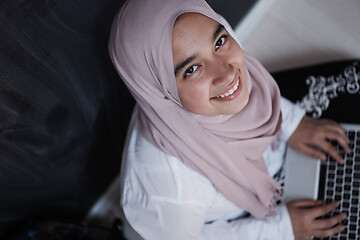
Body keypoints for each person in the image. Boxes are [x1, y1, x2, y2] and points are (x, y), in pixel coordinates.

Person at [108, 0, 351, 239]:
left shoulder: (212, 43)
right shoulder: (166, 189)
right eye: (192, 69)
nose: (227, 73)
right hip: (236, 219)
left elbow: (248, 79)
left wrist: (291, 122)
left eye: (220, 42)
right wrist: (282, 229)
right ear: (161, 93)